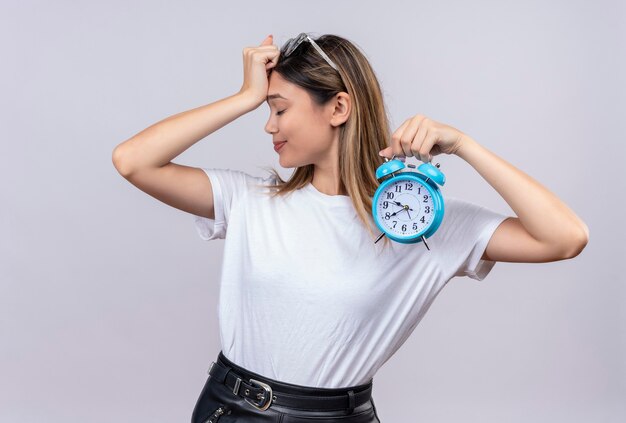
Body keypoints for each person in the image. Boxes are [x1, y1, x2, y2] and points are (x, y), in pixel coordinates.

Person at [112, 32, 589, 423]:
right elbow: (132, 161)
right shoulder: (251, 199)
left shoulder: (423, 222)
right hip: (231, 408)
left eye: (279, 109)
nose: (268, 125)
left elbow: (565, 237)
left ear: (338, 108)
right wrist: (244, 97)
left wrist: (464, 144)